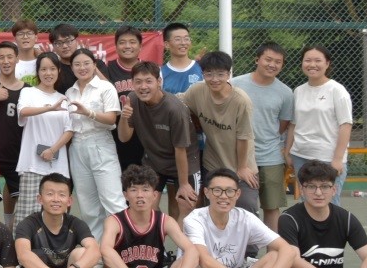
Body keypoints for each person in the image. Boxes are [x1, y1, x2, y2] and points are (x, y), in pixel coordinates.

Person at [179, 168, 302, 268]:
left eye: (230, 191)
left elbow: (287, 250)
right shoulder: (194, 219)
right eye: (217, 190)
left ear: (237, 194)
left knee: (274, 255)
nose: (224, 196)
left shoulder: (245, 217)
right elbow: (205, 261)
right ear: (206, 193)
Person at [100, 164, 198, 268]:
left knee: (184, 261)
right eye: (133, 190)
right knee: (109, 264)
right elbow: (106, 250)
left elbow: (191, 250)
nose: (140, 195)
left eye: (145, 190)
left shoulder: (165, 221)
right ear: (125, 195)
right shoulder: (115, 221)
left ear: (154, 195)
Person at [117, 61, 199, 224]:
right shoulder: (132, 99)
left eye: (148, 81)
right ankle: (162, 232)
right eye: (138, 82)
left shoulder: (174, 109)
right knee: (147, 208)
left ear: (159, 82)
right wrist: (124, 118)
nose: (143, 86)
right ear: (132, 83)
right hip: (154, 162)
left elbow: (180, 150)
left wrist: (184, 184)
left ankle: (178, 240)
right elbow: (124, 138)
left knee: (186, 209)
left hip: (184, 163)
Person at [180, 51, 260, 214]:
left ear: (228, 74)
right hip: (212, 163)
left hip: (240, 165)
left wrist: (242, 167)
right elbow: (177, 102)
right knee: (211, 208)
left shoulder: (240, 100)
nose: (214, 79)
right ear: (203, 74)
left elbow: (243, 137)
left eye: (220, 74)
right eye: (209, 74)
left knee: (246, 207)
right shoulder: (197, 91)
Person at [233, 42, 295, 230]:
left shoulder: (286, 93)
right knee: (240, 205)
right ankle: (242, 247)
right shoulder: (235, 84)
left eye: (278, 62)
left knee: (271, 206)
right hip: (239, 156)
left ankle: (273, 247)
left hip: (270, 157)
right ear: (257, 60)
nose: (272, 65)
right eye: (268, 59)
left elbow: (283, 125)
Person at [65, 47, 125, 241]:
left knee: (112, 200)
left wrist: (88, 112)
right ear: (71, 68)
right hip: (77, 147)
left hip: (101, 143)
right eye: (77, 64)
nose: (82, 68)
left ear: (94, 65)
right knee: (88, 205)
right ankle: (97, 250)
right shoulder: (70, 92)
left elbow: (112, 118)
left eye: (86, 63)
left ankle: (123, 248)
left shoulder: (105, 87)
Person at [284, 46, 352, 205]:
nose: (312, 64)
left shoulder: (337, 90)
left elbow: (345, 125)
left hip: (327, 158)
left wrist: (337, 159)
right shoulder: (298, 91)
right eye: (307, 60)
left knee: (329, 204)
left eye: (317, 60)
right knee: (307, 203)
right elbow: (293, 124)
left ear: (327, 63)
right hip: (301, 156)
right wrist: (288, 152)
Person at [14, 53, 73, 224]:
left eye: (52, 69)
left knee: (56, 215)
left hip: (58, 165)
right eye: (44, 69)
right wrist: (49, 108)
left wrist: (52, 150)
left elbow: (69, 130)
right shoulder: (28, 92)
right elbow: (23, 112)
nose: (48, 73)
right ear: (38, 72)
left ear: (59, 71)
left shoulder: (64, 99)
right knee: (27, 216)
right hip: (31, 164)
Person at [0, 41, 26, 230]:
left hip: (16, 152)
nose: (6, 61)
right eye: (1, 57)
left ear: (17, 59)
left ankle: (9, 227)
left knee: (19, 196)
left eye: (10, 57)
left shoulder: (27, 90)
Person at [105, 25, 146, 170]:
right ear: (116, 46)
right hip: (116, 134)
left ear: (140, 46)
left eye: (132, 42)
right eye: (122, 42)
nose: (127, 46)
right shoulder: (107, 69)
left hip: (144, 134)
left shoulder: (150, 70)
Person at [50, 23, 107, 94]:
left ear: (77, 41)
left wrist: (92, 65)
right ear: (53, 46)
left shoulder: (97, 64)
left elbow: (108, 89)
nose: (64, 46)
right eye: (59, 43)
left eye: (68, 41)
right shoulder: (54, 69)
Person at [161, 22, 203, 94]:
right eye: (177, 39)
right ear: (167, 44)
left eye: (186, 39)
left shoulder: (202, 68)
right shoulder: (161, 73)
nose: (183, 43)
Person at [10, 19, 40, 84]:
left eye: (29, 33)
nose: (25, 37)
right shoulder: (9, 63)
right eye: (20, 34)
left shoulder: (44, 61)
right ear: (15, 38)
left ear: (36, 38)